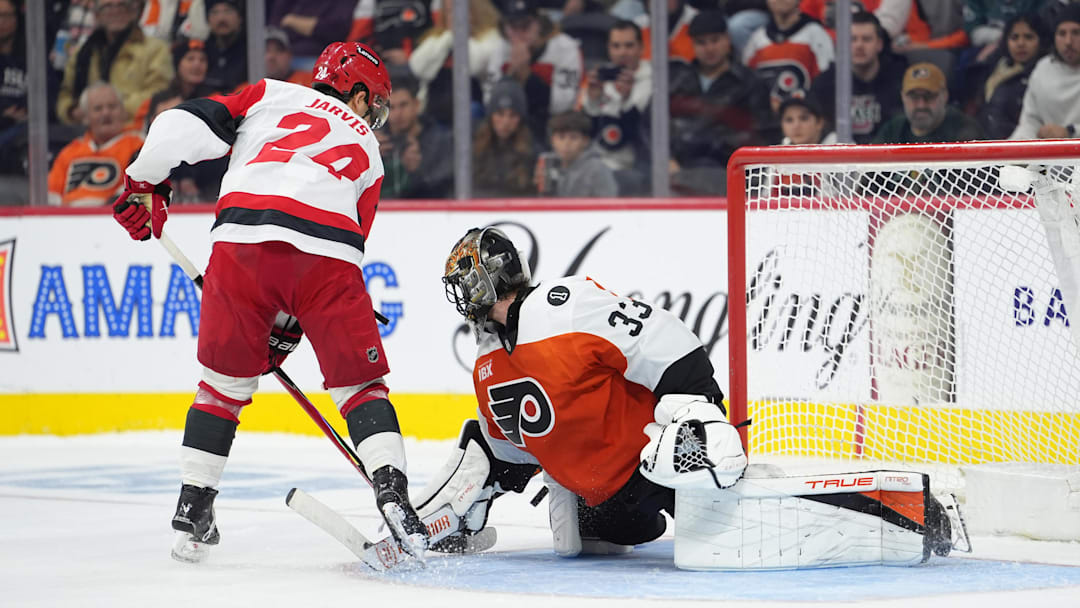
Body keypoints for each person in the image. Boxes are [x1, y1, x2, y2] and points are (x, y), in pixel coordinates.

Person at [110, 41, 430, 563]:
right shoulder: (370, 153)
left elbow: (175, 126)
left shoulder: (269, 95)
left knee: (221, 387)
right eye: (374, 102)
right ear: (355, 93)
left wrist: (143, 180)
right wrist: (290, 322)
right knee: (360, 388)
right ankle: (393, 497)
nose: (375, 115)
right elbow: (341, 247)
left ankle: (193, 509)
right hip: (326, 252)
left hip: (240, 240)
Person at [418, 226, 747, 558]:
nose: (461, 295)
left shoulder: (563, 306)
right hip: (605, 502)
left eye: (463, 283)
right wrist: (484, 485)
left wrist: (701, 403)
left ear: (481, 280)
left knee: (729, 540)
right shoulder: (487, 356)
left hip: (656, 459)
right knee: (607, 535)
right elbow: (512, 445)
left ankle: (734, 493)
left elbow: (660, 335)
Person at [668, 10, 770, 193]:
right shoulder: (675, 81)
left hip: (729, 173)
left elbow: (762, 135)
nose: (709, 49)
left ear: (727, 40)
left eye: (715, 40)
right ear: (692, 44)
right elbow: (651, 127)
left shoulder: (750, 83)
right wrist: (666, 159)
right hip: (677, 171)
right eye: (701, 42)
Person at [56, 0, 174, 126]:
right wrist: (72, 111)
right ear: (97, 14)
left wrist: (109, 110)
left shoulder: (156, 49)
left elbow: (159, 94)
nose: (115, 11)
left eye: (122, 5)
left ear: (135, 10)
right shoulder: (82, 53)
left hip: (137, 132)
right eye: (108, 6)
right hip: (87, 135)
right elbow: (65, 94)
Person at [483, 0, 584, 138]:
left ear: (539, 24)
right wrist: (511, 75)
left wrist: (526, 74)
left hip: (551, 125)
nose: (518, 34)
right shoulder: (501, 48)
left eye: (525, 26)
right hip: (510, 124)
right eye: (513, 27)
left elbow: (564, 105)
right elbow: (489, 100)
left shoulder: (565, 47)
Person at [809, 11, 906, 144]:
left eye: (866, 39)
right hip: (840, 159)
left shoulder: (899, 78)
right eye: (852, 39)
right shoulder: (824, 84)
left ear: (879, 44)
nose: (859, 45)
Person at [408, 0, 503, 127]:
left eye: (459, 11)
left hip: (475, 107)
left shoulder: (491, 37)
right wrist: (449, 37)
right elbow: (417, 67)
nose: (454, 16)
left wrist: (462, 35)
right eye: (449, 11)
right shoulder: (439, 37)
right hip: (435, 108)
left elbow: (475, 66)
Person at [47, 82, 144, 207]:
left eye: (112, 106)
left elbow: (139, 186)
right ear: (86, 117)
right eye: (98, 108)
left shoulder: (138, 144)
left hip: (112, 218)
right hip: (68, 219)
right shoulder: (70, 152)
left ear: (123, 111)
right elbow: (51, 195)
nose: (106, 113)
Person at [581, 19, 650, 174]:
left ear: (641, 48)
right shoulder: (601, 76)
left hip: (633, 166)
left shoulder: (652, 81)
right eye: (616, 46)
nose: (622, 52)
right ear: (608, 48)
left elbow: (640, 135)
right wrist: (593, 100)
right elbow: (585, 131)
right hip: (595, 163)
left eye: (629, 45)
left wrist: (626, 100)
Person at [742, 0, 834, 113]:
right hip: (766, 123)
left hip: (806, 119)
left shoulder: (817, 35)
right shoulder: (756, 40)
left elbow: (826, 83)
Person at [376, 69, 453, 199]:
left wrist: (416, 171)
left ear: (416, 105)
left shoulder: (440, 141)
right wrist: (370, 159)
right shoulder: (376, 141)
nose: (397, 114)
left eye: (403, 105)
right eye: (391, 107)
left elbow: (445, 190)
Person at [969, 14, 1047, 140]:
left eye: (1028, 37)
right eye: (1014, 37)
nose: (1021, 43)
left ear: (1041, 40)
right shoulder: (994, 65)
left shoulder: (1044, 73)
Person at [1010, 5, 1080, 140]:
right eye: (1062, 33)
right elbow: (1030, 122)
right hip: (1048, 156)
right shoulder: (1043, 68)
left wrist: (1070, 132)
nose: (1068, 42)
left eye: (1076, 33)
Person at [873, 61, 983, 144]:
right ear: (903, 97)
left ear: (944, 96)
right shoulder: (893, 130)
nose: (921, 104)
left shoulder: (966, 133)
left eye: (929, 96)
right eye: (914, 97)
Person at [473, 77, 539, 198]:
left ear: (521, 119)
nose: (505, 122)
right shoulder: (471, 146)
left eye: (513, 115)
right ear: (490, 116)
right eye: (500, 114)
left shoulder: (533, 152)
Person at [535, 110, 617, 197]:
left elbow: (608, 205)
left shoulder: (597, 169)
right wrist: (536, 188)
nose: (566, 143)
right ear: (552, 140)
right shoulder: (548, 163)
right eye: (561, 137)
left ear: (585, 141)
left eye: (573, 138)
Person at [269, 0, 356, 71]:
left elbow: (337, 30)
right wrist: (310, 26)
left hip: (323, 57)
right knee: (267, 62)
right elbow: (275, 24)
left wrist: (291, 21)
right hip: (285, 51)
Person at [0, 0, 27, 175]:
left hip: (23, 130)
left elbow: (49, 95)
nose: (1, 21)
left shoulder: (32, 56)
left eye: (6, 16)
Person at [203, 0, 246, 93]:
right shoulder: (201, 52)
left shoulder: (251, 51)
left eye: (228, 11)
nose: (221, 18)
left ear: (240, 18)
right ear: (208, 20)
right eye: (215, 12)